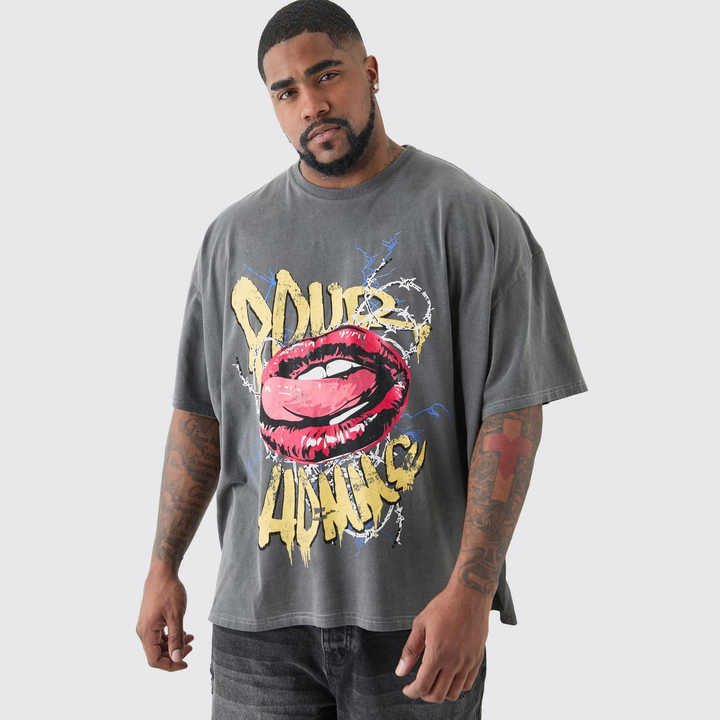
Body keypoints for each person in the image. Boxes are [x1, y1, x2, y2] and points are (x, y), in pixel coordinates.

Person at [136, 1, 588, 717]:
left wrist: (472, 592)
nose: (311, 105)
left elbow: (512, 416)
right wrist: (163, 565)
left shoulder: (470, 218)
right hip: (259, 622)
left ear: (371, 72)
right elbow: (200, 415)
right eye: (286, 91)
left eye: (327, 76)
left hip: (418, 622)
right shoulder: (231, 237)